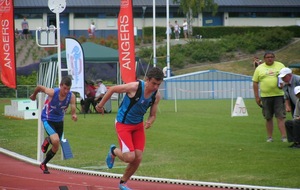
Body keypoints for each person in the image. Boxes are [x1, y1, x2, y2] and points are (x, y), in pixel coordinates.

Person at [95, 67, 164, 190]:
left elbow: (153, 115)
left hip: (137, 127)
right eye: (154, 83)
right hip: (123, 124)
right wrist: (100, 105)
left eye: (158, 84)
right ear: (147, 80)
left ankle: (123, 183)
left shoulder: (156, 96)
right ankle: (113, 151)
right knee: (129, 157)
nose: (155, 87)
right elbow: (113, 89)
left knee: (138, 158)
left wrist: (150, 121)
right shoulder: (135, 87)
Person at [29, 76, 78, 174]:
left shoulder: (71, 96)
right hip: (48, 119)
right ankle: (49, 139)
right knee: (55, 140)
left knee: (56, 146)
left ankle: (44, 163)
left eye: (68, 89)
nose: (66, 91)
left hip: (59, 121)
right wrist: (34, 96)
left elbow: (73, 106)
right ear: (60, 86)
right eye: (64, 88)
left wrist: (73, 114)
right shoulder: (52, 92)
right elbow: (39, 87)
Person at [252, 51, 287, 142]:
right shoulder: (259, 68)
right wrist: (257, 97)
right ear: (264, 59)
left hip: (279, 95)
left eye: (271, 57)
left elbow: (287, 78)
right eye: (268, 57)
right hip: (265, 96)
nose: (270, 58)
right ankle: (270, 137)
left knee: (280, 116)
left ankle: (284, 137)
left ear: (274, 58)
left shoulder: (280, 66)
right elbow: (255, 82)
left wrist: (284, 84)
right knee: (268, 117)